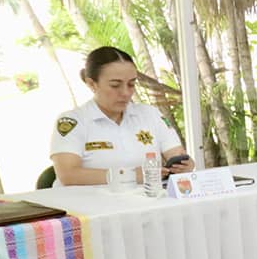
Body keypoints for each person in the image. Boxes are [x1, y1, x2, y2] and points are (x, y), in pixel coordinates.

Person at [49, 47, 194, 185]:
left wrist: (185, 166)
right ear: (92, 84)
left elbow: (176, 154)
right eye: (115, 85)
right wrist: (130, 176)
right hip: (89, 206)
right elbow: (69, 175)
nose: (125, 93)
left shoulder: (150, 114)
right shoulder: (73, 121)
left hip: (145, 201)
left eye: (131, 84)